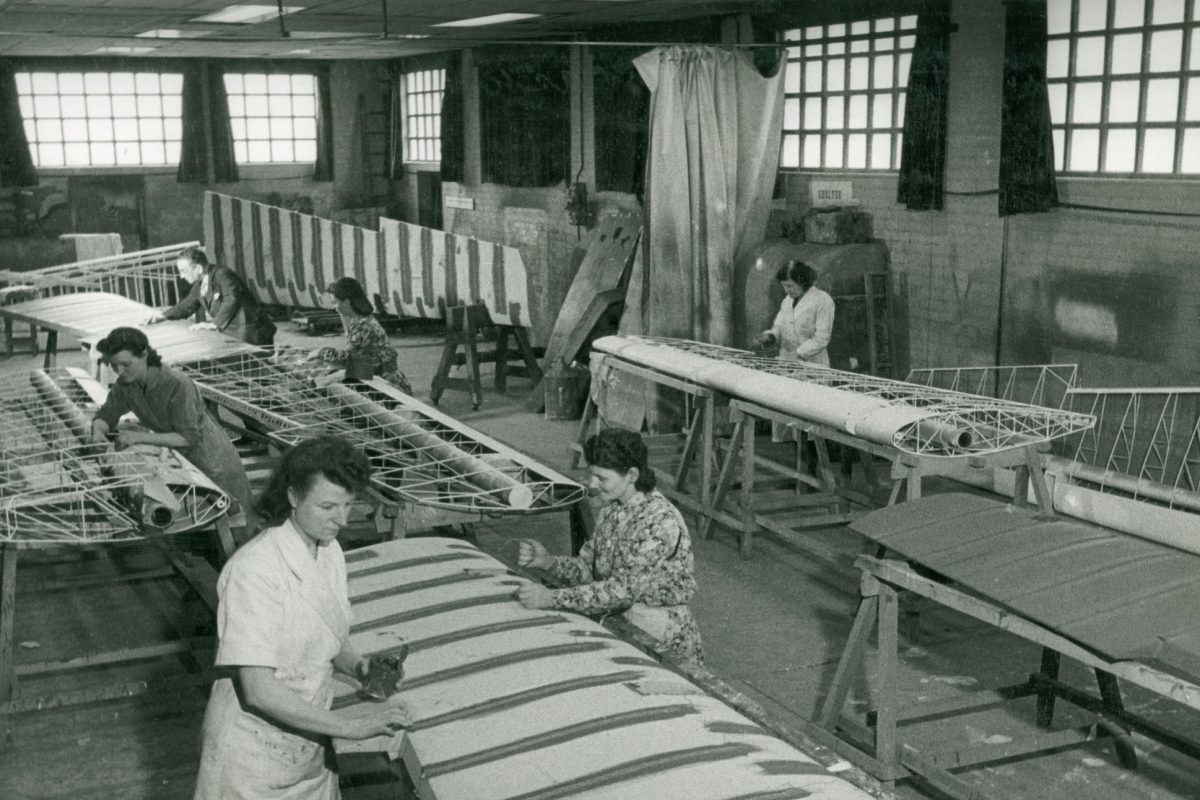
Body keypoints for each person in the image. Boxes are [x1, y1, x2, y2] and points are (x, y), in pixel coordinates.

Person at [194, 436, 410, 800]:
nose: (341, 519)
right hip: (252, 752)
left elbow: (328, 630)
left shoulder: (329, 551)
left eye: (348, 504)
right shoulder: (255, 570)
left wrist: (359, 666)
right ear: (293, 497)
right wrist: (350, 727)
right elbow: (259, 690)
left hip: (307, 742)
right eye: (327, 506)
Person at [515, 428, 704, 670]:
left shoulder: (658, 521)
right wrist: (549, 562)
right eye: (591, 474)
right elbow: (588, 569)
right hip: (621, 623)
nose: (592, 484)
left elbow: (620, 592)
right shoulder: (612, 508)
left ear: (632, 475)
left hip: (660, 637)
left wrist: (551, 598)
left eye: (602, 478)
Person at [90, 326, 255, 533]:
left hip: (211, 457)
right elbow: (107, 414)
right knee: (199, 521)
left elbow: (189, 438)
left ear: (144, 355)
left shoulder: (177, 384)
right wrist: (98, 431)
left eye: (126, 364)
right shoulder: (126, 385)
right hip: (181, 460)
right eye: (115, 366)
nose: (120, 372)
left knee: (237, 521)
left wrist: (139, 438)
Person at [145, 246, 276, 346]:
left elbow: (232, 299)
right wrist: (162, 316)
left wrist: (214, 324)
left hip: (252, 333)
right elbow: (186, 305)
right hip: (236, 333)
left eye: (184, 271)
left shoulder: (222, 275)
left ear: (198, 268)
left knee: (257, 376)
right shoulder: (201, 284)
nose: (181, 276)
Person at [309, 277, 412, 394]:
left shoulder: (364, 326)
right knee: (328, 373)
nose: (335, 308)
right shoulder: (358, 320)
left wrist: (321, 353)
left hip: (386, 384)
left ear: (347, 302)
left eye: (336, 303)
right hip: (371, 373)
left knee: (325, 380)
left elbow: (348, 360)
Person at [753, 259, 835, 367]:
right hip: (786, 362)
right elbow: (778, 328)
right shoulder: (787, 301)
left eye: (789, 286)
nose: (786, 291)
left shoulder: (822, 300)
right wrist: (769, 337)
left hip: (812, 364)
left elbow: (822, 338)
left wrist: (798, 354)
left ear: (802, 282)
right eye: (784, 286)